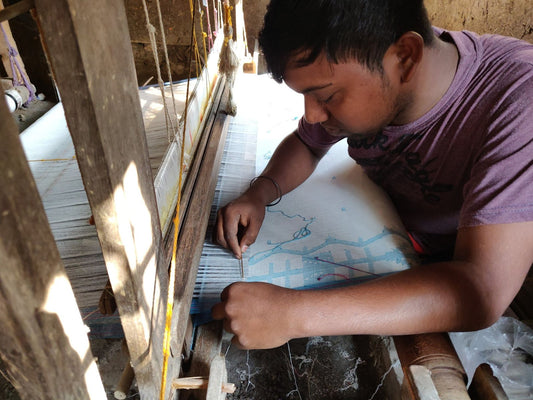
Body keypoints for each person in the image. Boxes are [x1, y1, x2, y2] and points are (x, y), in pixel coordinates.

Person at [211, 0, 533, 350]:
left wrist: (292, 314)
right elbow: (307, 142)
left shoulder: (517, 102)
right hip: (400, 236)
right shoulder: (374, 71)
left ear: (406, 57)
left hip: (456, 260)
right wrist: (259, 193)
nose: (313, 115)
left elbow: (480, 290)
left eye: (327, 96)